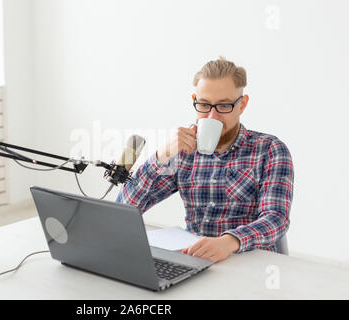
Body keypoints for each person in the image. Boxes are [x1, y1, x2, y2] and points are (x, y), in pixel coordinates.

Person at [116, 57, 294, 263]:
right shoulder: (183, 151)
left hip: (251, 264)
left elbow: (275, 219)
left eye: (224, 106)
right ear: (195, 99)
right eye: (204, 105)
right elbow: (127, 207)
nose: (212, 116)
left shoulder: (269, 149)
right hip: (197, 261)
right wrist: (160, 157)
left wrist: (228, 242)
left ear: (242, 104)